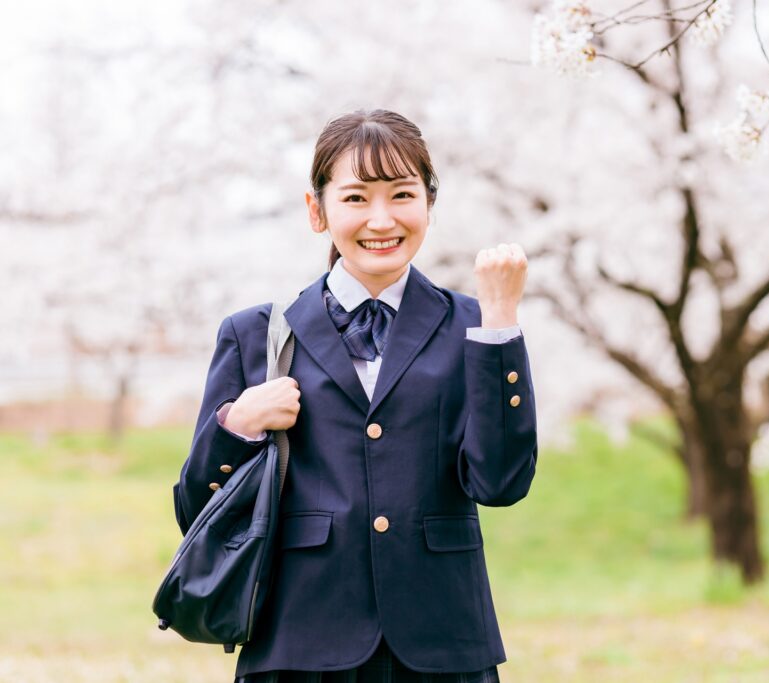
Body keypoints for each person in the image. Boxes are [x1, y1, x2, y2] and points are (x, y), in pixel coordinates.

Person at [173, 109, 539, 683]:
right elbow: (196, 511)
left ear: (429, 205)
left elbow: (502, 483)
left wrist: (500, 325)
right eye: (356, 198)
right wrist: (239, 422)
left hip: (444, 644)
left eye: (402, 194)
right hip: (299, 644)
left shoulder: (476, 326)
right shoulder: (253, 335)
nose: (381, 218)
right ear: (316, 211)